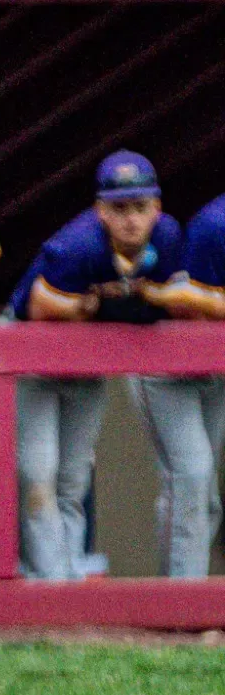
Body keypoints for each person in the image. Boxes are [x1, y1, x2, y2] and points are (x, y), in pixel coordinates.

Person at [10, 152, 186, 581]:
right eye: (120, 208)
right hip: (31, 357)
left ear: (157, 208)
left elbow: (177, 294)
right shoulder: (78, 244)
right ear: (101, 210)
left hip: (84, 365)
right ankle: (49, 587)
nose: (131, 219)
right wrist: (97, 307)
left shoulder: (167, 236)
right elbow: (39, 306)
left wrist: (119, 304)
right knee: (38, 476)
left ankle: (67, 583)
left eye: (140, 207)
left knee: (72, 478)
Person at [129, 174, 225, 578]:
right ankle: (181, 615)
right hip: (167, 366)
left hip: (213, 371)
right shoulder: (215, 224)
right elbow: (187, 310)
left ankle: (189, 604)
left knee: (205, 498)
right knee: (190, 478)